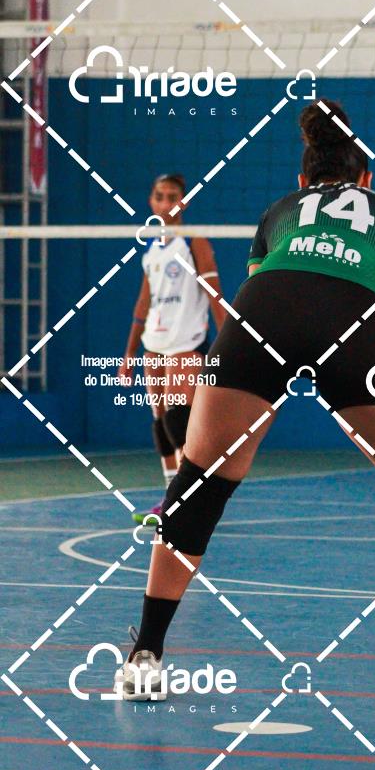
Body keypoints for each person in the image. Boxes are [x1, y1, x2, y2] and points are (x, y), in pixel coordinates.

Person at [116, 103, 375, 708]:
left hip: (259, 312)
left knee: (197, 488)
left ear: (302, 180)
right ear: (366, 177)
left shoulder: (278, 212)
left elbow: (273, 297)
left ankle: (145, 659)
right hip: (353, 318)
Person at [118, 173, 226, 525]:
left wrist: (229, 344)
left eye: (173, 197)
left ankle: (188, 500)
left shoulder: (194, 241)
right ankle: (170, 498)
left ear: (184, 202)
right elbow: (142, 304)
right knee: (161, 421)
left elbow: (215, 295)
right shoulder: (151, 250)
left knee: (180, 419)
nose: (166, 203)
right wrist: (129, 355)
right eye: (160, 196)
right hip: (154, 344)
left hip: (186, 343)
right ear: (152, 201)